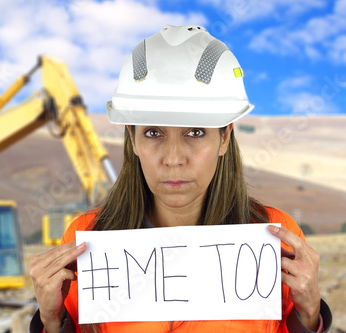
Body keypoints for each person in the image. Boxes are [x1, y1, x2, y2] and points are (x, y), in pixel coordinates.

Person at [30, 24, 333, 333]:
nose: (173, 158)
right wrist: (52, 322)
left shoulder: (276, 237)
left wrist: (308, 314)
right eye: (153, 132)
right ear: (132, 139)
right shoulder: (85, 240)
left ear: (225, 137)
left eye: (195, 132)